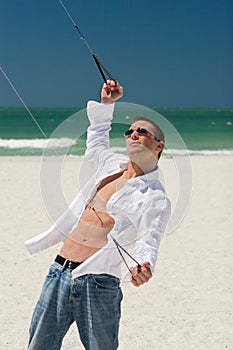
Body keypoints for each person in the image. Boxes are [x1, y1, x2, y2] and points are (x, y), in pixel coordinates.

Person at [25, 80, 171, 350]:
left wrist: (144, 265)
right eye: (129, 131)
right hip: (59, 270)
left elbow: (149, 238)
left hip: (98, 282)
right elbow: (96, 139)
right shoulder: (110, 163)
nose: (133, 134)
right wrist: (107, 106)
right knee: (37, 346)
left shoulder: (155, 197)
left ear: (158, 146)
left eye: (142, 131)